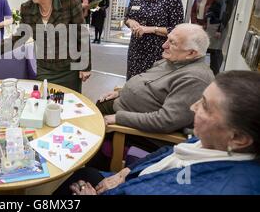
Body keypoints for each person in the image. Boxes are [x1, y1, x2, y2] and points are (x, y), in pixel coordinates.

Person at [55, 70, 260, 195]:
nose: (192, 108)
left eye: (205, 106)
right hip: (132, 179)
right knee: (83, 173)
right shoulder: (212, 142)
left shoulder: (220, 188)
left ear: (239, 138)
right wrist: (125, 173)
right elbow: (170, 152)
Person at [97, 23, 214, 133]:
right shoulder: (174, 60)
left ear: (191, 53)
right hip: (121, 105)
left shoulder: (195, 79)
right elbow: (146, 83)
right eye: (167, 39)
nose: (164, 45)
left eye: (172, 43)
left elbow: (166, 121)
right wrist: (120, 93)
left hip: (131, 125)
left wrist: (119, 118)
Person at [0, 0, 91, 93]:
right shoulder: (27, 8)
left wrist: (85, 65)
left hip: (69, 69)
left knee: (68, 108)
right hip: (45, 69)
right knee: (44, 105)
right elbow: (20, 37)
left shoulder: (69, 0)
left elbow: (81, 34)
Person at [125, 0, 183, 80]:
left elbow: (177, 30)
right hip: (135, 51)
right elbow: (127, 17)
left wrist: (150, 29)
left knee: (150, 90)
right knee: (132, 85)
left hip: (157, 54)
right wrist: (131, 22)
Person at [206, 0, 238, 75]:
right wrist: (209, 14)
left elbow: (226, 15)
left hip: (220, 27)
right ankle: (212, 70)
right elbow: (211, 9)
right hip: (211, 26)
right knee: (213, 50)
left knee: (216, 50)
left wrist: (219, 30)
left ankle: (215, 73)